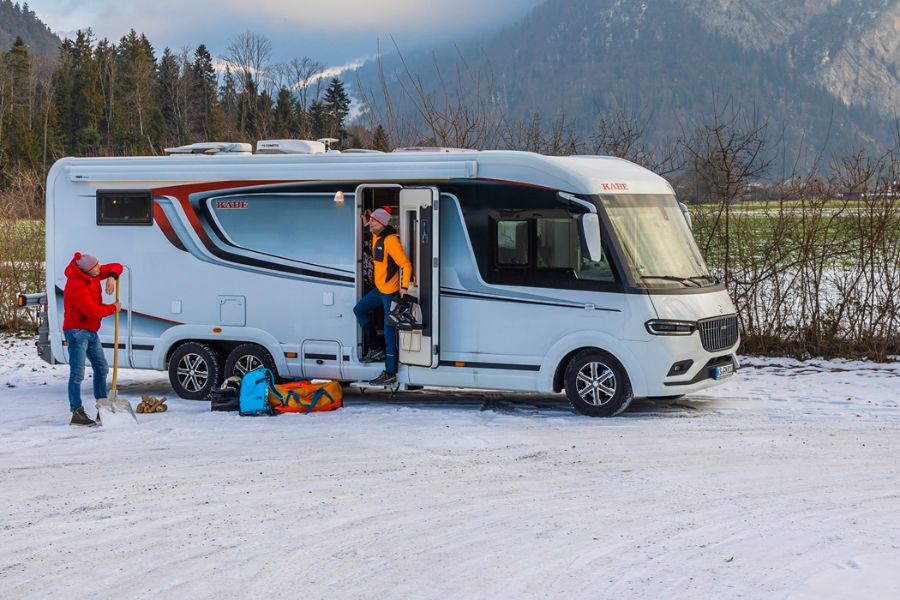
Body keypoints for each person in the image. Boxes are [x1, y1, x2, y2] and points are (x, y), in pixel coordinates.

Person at [353, 208, 412, 386]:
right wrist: (366, 222)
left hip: (390, 293)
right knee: (359, 310)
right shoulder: (376, 236)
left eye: (374, 221)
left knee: (389, 332)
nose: (371, 224)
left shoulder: (390, 240)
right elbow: (369, 233)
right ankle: (376, 348)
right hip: (379, 290)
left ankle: (390, 372)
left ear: (383, 224)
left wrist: (404, 287)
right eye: (370, 221)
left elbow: (406, 265)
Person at [63, 252, 123, 426]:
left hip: (90, 331)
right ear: (87, 271)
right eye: (96, 267)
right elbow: (92, 311)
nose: (100, 268)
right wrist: (113, 308)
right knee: (77, 373)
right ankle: (77, 413)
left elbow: (116, 265)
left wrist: (112, 277)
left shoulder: (93, 272)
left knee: (101, 367)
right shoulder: (76, 285)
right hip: (76, 332)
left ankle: (102, 407)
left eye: (98, 265)